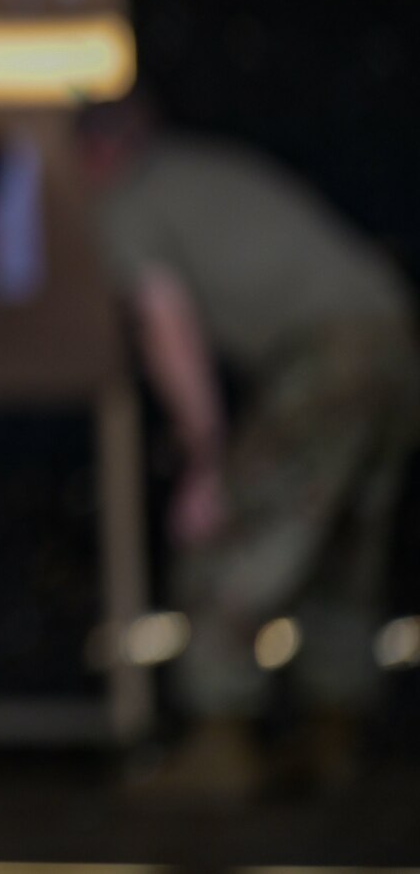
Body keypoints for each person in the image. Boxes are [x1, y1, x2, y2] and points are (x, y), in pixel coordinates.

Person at [77, 92, 419, 798]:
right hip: (393, 341)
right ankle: (334, 738)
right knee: (340, 545)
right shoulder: (213, 168)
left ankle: (220, 743)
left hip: (326, 357)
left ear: (97, 153)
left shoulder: (131, 202)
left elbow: (167, 328)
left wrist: (205, 459)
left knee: (231, 538)